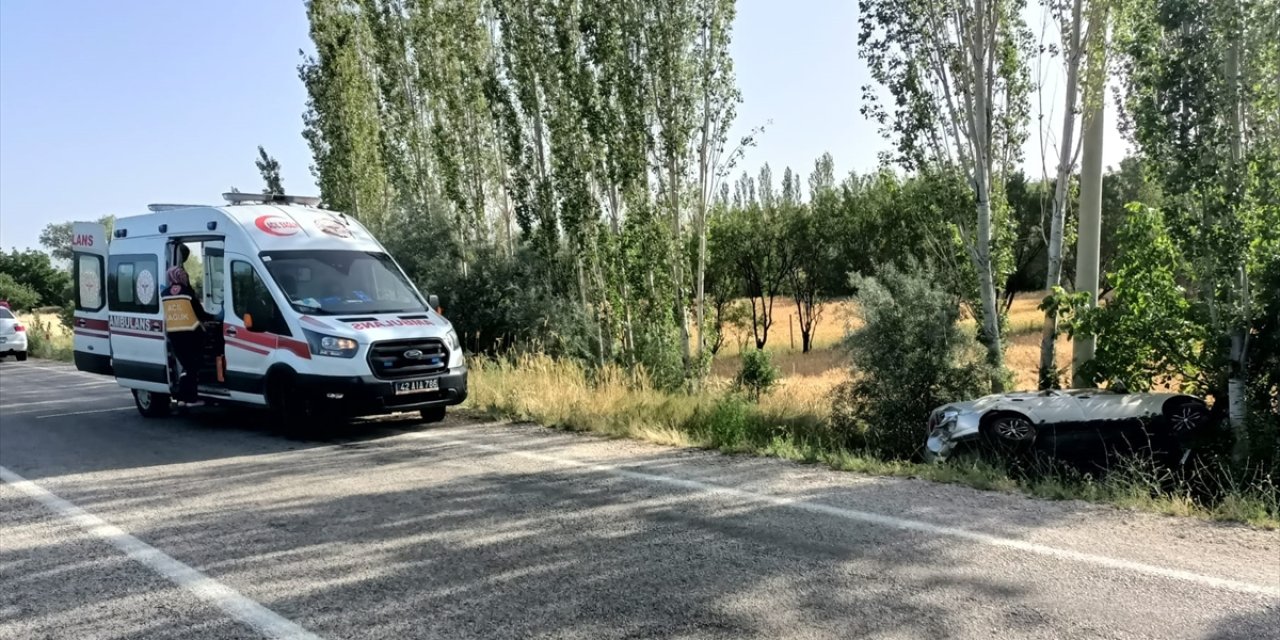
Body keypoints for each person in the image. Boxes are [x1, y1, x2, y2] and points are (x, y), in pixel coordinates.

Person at [162, 258, 215, 406]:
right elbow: (199, 312)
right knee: (193, 366)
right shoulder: (187, 291)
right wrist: (213, 317)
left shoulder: (165, 293)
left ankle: (182, 399)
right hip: (191, 334)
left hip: (174, 334)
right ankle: (190, 399)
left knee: (185, 366)